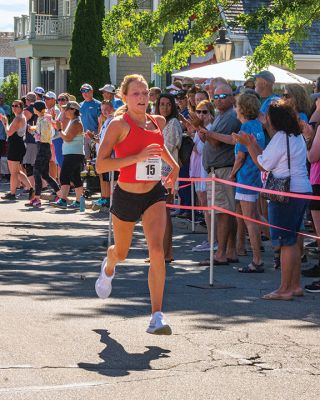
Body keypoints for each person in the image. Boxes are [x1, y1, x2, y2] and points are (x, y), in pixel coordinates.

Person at [95, 74, 179, 335]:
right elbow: (101, 164)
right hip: (127, 195)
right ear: (124, 98)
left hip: (153, 193)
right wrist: (136, 158)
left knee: (156, 250)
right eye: (136, 94)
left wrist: (174, 167)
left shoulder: (158, 121)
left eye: (145, 93)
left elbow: (159, 147)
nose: (142, 98)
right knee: (122, 253)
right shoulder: (118, 125)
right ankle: (109, 265)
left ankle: (156, 316)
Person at [234, 100, 311, 300]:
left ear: (275, 119)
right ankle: (294, 286)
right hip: (301, 190)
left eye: (267, 116)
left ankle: (285, 288)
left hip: (285, 194)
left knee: (285, 242)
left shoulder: (280, 138)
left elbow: (263, 165)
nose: (265, 120)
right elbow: (268, 158)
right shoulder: (296, 137)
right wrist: (254, 145)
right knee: (292, 240)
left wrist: (249, 145)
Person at [201, 84, 241, 265]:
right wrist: (204, 132)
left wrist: (205, 132)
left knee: (223, 212)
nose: (218, 99)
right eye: (215, 96)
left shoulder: (231, 116)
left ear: (232, 97)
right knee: (226, 211)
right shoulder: (220, 115)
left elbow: (216, 143)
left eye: (223, 96)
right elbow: (211, 139)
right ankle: (230, 251)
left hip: (223, 169)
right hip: (217, 169)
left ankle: (221, 253)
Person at [229, 93, 265, 272]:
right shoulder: (258, 125)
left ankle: (257, 260)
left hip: (246, 176)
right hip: (255, 175)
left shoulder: (245, 127)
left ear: (242, 108)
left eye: (237, 105)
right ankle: (271, 249)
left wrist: (232, 174)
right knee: (256, 218)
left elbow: (240, 156)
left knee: (250, 220)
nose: (235, 108)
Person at [155, 93, 182, 262]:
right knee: (156, 216)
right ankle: (159, 252)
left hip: (168, 173)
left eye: (168, 104)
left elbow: (169, 147)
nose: (164, 107)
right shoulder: (156, 123)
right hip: (154, 172)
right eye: (161, 104)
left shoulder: (173, 123)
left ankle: (167, 253)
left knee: (165, 214)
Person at [189, 100, 215, 252]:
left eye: (204, 112)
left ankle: (213, 240)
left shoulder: (210, 128)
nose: (200, 115)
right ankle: (210, 239)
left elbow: (202, 148)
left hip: (205, 170)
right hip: (197, 168)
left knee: (207, 206)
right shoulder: (200, 129)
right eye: (198, 112)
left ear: (210, 113)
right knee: (204, 205)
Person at [25, 101, 60, 208]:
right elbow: (41, 130)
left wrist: (33, 132)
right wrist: (33, 129)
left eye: (34, 107)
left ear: (37, 109)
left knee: (36, 172)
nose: (33, 109)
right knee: (45, 175)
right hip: (43, 147)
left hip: (43, 147)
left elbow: (44, 136)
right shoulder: (42, 117)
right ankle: (59, 194)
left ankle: (37, 199)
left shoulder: (44, 119)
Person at [50, 101, 85, 209]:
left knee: (64, 176)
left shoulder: (76, 123)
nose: (64, 111)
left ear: (74, 110)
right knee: (75, 178)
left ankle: (63, 200)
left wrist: (60, 129)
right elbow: (65, 135)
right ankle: (80, 202)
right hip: (73, 154)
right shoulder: (73, 121)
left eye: (67, 109)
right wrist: (57, 124)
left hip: (73, 154)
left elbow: (67, 138)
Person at [0, 100, 34, 201]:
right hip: (18, 145)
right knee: (17, 171)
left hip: (16, 146)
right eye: (13, 105)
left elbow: (9, 132)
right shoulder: (20, 117)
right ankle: (31, 188)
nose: (14, 107)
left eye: (16, 106)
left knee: (14, 172)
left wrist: (4, 122)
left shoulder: (19, 118)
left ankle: (12, 193)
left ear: (21, 107)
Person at [90, 100, 116, 209]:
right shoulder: (106, 121)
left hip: (110, 155)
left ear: (112, 109)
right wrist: (92, 137)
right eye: (102, 110)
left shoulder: (113, 121)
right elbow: (101, 139)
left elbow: (110, 140)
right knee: (104, 178)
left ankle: (111, 199)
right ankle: (105, 198)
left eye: (107, 109)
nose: (105, 112)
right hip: (103, 154)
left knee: (111, 179)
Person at [79, 83, 101, 159]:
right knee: (86, 160)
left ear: (92, 91)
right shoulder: (80, 105)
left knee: (95, 159)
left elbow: (101, 122)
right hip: (84, 137)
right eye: (82, 91)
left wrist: (97, 136)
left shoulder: (98, 104)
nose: (84, 93)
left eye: (86, 90)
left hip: (94, 136)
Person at [23, 92, 38, 186]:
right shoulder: (38, 108)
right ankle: (37, 186)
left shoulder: (29, 109)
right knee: (33, 164)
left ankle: (31, 188)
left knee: (29, 165)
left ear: (27, 100)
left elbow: (22, 123)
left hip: (31, 141)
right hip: (36, 139)